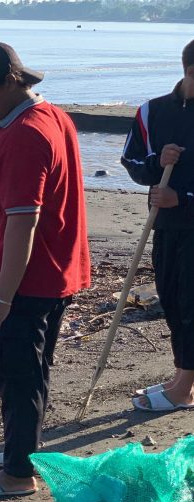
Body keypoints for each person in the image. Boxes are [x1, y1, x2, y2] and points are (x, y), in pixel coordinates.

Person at [0, 42, 91, 497]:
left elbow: (23, 220)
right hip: (56, 270)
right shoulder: (52, 114)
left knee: (17, 373)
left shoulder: (24, 136)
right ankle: (25, 449)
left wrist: (1, 297)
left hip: (25, 277)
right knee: (33, 368)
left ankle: (18, 474)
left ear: (12, 81)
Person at [122, 39, 194, 413]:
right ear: (190, 72)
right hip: (166, 226)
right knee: (171, 296)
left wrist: (182, 199)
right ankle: (184, 374)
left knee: (191, 305)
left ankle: (183, 388)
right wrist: (155, 166)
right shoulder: (152, 111)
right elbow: (131, 160)